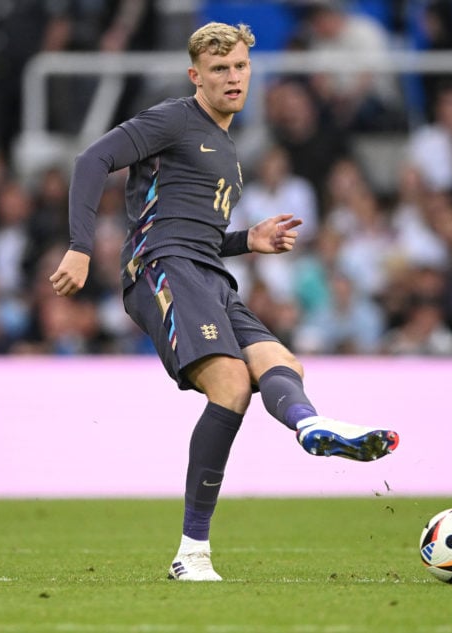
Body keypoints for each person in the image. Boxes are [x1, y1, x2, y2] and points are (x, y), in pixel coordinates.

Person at [48, 22, 399, 582]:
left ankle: (309, 426)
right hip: (162, 269)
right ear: (196, 76)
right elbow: (91, 160)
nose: (232, 78)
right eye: (219, 70)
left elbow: (201, 233)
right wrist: (80, 247)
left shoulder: (231, 150)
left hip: (209, 273)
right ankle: (191, 553)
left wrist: (247, 241)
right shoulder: (171, 119)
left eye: (238, 67)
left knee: (283, 364)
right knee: (233, 385)